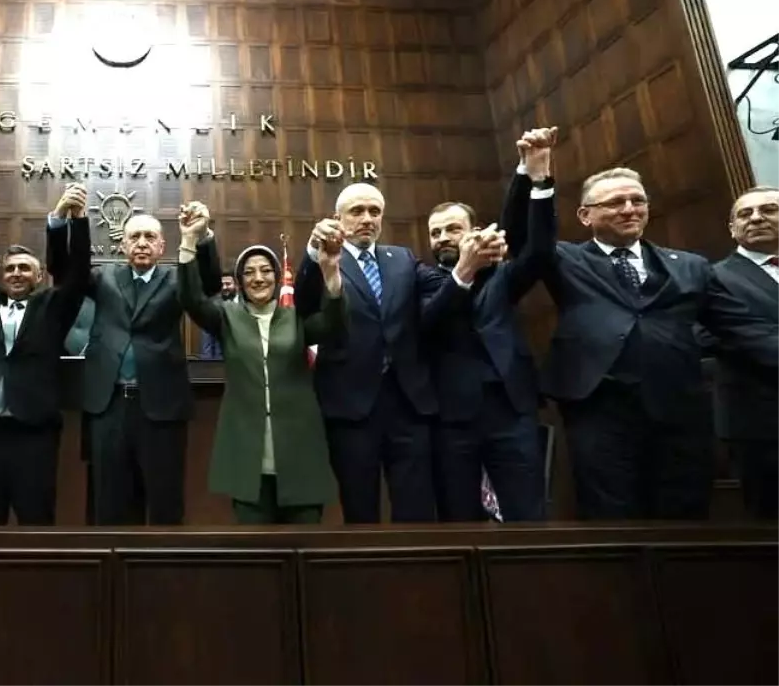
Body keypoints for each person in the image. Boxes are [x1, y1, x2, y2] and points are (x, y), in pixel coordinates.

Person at [506, 164, 779, 519]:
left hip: (678, 408)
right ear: (585, 216)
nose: (629, 209)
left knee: (684, 511)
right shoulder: (565, 259)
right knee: (611, 515)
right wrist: (535, 178)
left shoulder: (690, 266)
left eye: (637, 201)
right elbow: (522, 237)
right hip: (600, 407)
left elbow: (743, 328)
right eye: (615, 203)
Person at [294, 183, 505, 523]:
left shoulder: (402, 259)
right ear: (337, 218)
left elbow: (444, 288)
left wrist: (475, 263)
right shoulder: (324, 258)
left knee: (416, 509)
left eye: (374, 212)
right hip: (350, 406)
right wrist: (312, 251)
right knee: (361, 511)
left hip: (408, 404)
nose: (367, 219)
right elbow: (304, 304)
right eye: (357, 211)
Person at [46, 200, 222, 525]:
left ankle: (163, 559)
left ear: (162, 246)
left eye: (150, 237)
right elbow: (63, 272)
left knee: (165, 502)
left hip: (160, 407)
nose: (142, 243)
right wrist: (61, 222)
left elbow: (210, 286)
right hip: (109, 406)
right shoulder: (104, 278)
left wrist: (202, 235)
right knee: (110, 503)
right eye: (135, 237)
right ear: (123, 245)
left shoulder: (177, 278)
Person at [176, 206, 345, 523]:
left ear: (277, 278)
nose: (258, 278)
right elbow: (191, 300)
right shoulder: (227, 317)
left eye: (266, 271)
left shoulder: (295, 317)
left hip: (299, 451)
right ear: (240, 281)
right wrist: (188, 242)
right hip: (248, 454)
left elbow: (334, 324)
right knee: (255, 546)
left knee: (306, 544)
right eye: (249, 272)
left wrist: (332, 275)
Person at [425, 128, 558, 521]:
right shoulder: (421, 279)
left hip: (511, 409)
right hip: (452, 417)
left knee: (526, 514)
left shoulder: (503, 276)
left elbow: (536, 249)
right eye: (435, 233)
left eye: (453, 229)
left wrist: (536, 178)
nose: (443, 238)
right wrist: (464, 271)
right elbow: (428, 321)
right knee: (460, 518)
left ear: (474, 232)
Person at [0, 183, 90, 525]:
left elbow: (78, 272)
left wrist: (74, 219)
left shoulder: (54, 307)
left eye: (24, 268)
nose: (16, 274)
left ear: (39, 276)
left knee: (36, 521)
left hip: (33, 433)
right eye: (10, 269)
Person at [703, 185, 779, 519]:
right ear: (732, 228)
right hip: (762, 421)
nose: (756, 218)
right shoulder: (711, 277)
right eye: (745, 214)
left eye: (769, 209)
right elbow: (705, 334)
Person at [198, 271, 237, 359]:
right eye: (222, 284)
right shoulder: (212, 308)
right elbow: (207, 343)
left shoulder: (244, 306)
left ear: (236, 285)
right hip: (218, 362)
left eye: (228, 284)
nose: (225, 287)